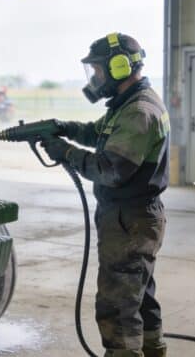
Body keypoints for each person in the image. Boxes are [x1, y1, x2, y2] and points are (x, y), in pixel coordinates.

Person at [42, 33, 170, 357]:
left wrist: (66, 153)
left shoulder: (138, 111)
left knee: (117, 303)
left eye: (98, 71)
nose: (95, 78)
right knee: (140, 295)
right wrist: (64, 127)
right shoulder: (126, 105)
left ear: (119, 67)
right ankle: (153, 350)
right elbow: (96, 133)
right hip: (132, 215)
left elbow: (111, 170)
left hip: (130, 219)